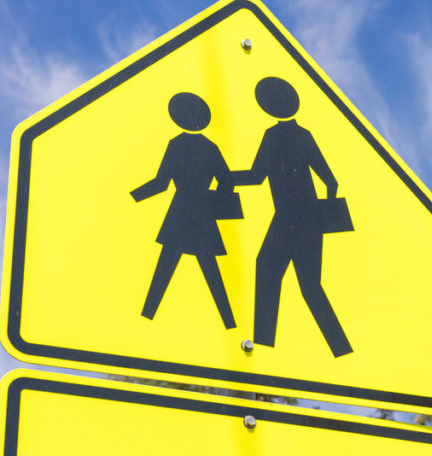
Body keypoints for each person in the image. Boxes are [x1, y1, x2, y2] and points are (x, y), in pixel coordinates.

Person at [235, 77, 352, 357]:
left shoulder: (272, 136)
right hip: (310, 217)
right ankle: (341, 349)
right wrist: (327, 213)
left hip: (288, 215)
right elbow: (331, 181)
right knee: (309, 286)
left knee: (267, 269)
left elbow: (255, 176)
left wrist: (225, 178)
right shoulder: (304, 135)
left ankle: (263, 346)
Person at [131, 91, 238, 329]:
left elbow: (161, 183)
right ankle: (230, 323)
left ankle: (146, 318)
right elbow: (227, 181)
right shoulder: (211, 147)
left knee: (165, 268)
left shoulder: (176, 144)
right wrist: (214, 203)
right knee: (211, 272)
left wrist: (134, 196)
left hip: (180, 213)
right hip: (203, 214)